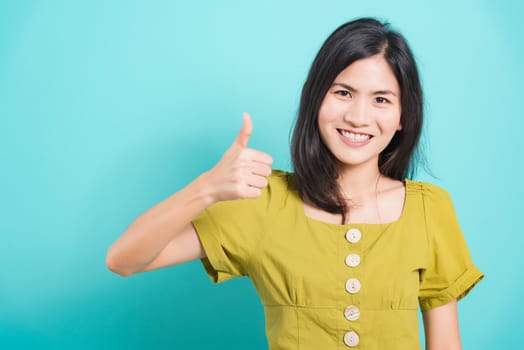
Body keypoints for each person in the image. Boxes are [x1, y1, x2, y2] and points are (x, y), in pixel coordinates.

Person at [106, 17, 483, 349]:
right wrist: (207, 188)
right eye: (343, 92)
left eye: (381, 99)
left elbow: (446, 344)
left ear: (404, 116)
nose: (358, 116)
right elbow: (123, 260)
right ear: (315, 97)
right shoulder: (262, 201)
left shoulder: (429, 209)